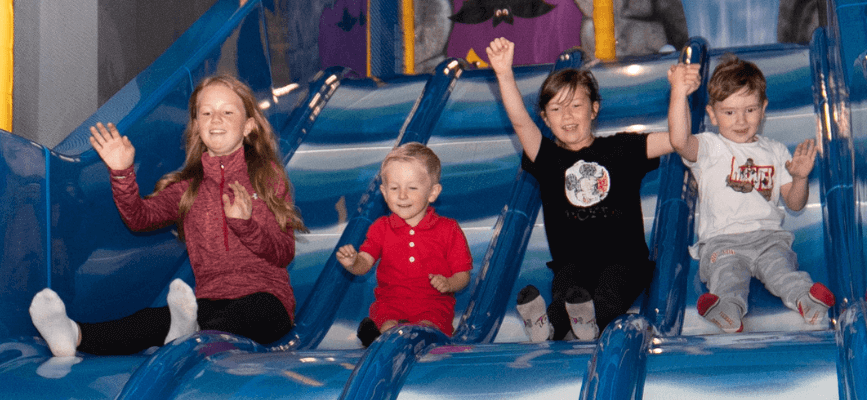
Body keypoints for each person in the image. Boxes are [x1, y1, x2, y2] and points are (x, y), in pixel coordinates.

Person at [29, 75, 307, 357]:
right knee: (151, 319)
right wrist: (122, 172)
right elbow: (140, 218)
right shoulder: (188, 187)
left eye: (227, 112)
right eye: (206, 113)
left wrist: (246, 225)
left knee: (242, 314)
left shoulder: (265, 177)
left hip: (266, 302)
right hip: (210, 301)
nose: (216, 119)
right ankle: (73, 335)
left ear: (248, 126)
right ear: (197, 126)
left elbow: (283, 252)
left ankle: (189, 337)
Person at [487, 37, 674, 342]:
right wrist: (504, 74)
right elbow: (521, 123)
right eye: (557, 109)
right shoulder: (549, 159)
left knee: (610, 295)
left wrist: (679, 95)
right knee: (564, 298)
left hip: (624, 259)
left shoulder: (621, 149)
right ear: (546, 120)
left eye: (577, 105)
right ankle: (546, 326)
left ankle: (590, 322)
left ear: (594, 109)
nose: (568, 115)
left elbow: (676, 140)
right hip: (572, 263)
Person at [666, 55, 833, 333]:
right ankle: (727, 311)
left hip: (769, 239)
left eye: (750, 110)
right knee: (728, 275)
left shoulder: (775, 150)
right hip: (723, 242)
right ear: (711, 114)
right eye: (729, 112)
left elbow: (794, 202)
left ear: (764, 108)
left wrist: (800, 178)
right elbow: (679, 140)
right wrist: (678, 93)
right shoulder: (710, 148)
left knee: (782, 271)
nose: (741, 120)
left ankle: (807, 301)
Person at [335, 143, 473, 346]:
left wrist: (449, 283)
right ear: (383, 192)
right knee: (388, 328)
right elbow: (365, 262)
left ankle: (390, 337)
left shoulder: (448, 229)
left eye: (412, 188)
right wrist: (353, 262)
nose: (402, 195)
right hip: (390, 304)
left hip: (433, 305)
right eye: (394, 188)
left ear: (432, 192)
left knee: (425, 331)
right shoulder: (381, 227)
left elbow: (463, 274)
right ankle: (378, 336)